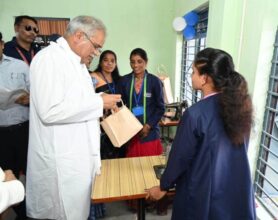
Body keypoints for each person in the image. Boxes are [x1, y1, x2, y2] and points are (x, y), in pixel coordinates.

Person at [26, 16, 121, 220]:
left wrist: (99, 98)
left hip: (78, 161)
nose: (96, 53)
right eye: (96, 47)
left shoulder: (77, 64)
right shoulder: (49, 60)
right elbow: (49, 110)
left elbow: (75, 101)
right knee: (63, 213)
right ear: (79, 36)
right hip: (62, 165)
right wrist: (98, 104)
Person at [146, 48, 256, 220]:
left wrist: (163, 187)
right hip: (235, 186)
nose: (191, 76)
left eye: (193, 72)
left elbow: (180, 157)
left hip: (202, 190)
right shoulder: (241, 107)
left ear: (204, 78)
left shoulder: (195, 114)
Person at [0, 32, 29, 220]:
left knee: (31, 173)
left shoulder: (20, 66)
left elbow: (37, 94)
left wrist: (28, 99)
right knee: (5, 176)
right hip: (0, 134)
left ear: (2, 44)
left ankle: (27, 212)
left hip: (23, 129)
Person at [117, 48, 165, 157]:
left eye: (139, 61)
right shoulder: (124, 81)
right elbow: (120, 105)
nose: (135, 65)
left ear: (146, 62)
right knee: (132, 169)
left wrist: (148, 126)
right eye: (132, 62)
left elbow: (160, 107)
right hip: (131, 133)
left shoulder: (154, 81)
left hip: (150, 134)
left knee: (149, 168)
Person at [90, 50, 125, 159]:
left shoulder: (119, 79)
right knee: (104, 156)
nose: (109, 63)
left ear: (115, 63)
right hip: (101, 123)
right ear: (100, 62)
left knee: (119, 155)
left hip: (118, 121)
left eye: (112, 61)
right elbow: (88, 98)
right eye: (106, 60)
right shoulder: (93, 76)